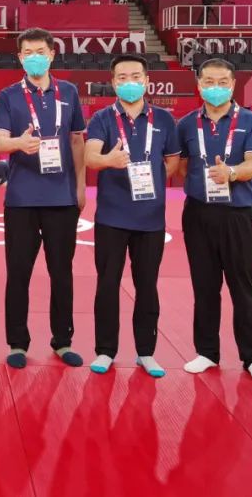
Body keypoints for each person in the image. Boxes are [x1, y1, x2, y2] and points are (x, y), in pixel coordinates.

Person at [0, 27, 87, 370]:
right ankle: (17, 342)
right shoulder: (8, 96)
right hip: (21, 199)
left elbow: (76, 141)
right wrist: (19, 143)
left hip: (62, 198)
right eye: (28, 53)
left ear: (51, 54)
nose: (35, 58)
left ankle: (63, 341)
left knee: (62, 272)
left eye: (40, 52)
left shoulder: (69, 92)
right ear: (20, 57)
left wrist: (80, 187)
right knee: (18, 272)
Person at [176, 58, 252, 385]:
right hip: (198, 214)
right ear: (199, 85)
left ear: (232, 85)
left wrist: (230, 172)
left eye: (222, 82)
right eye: (208, 82)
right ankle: (207, 351)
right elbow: (181, 168)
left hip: (238, 215)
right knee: (204, 287)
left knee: (243, 288)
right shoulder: (186, 124)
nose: (215, 88)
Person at [84, 54, 180, 378]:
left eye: (135, 76)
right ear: (113, 82)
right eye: (122, 77)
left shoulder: (164, 119)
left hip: (150, 219)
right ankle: (105, 350)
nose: (129, 82)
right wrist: (108, 161)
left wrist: (151, 179)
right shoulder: (102, 118)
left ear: (146, 81)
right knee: (107, 285)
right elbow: (90, 157)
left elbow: (173, 162)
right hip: (111, 217)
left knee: (147, 286)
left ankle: (146, 352)